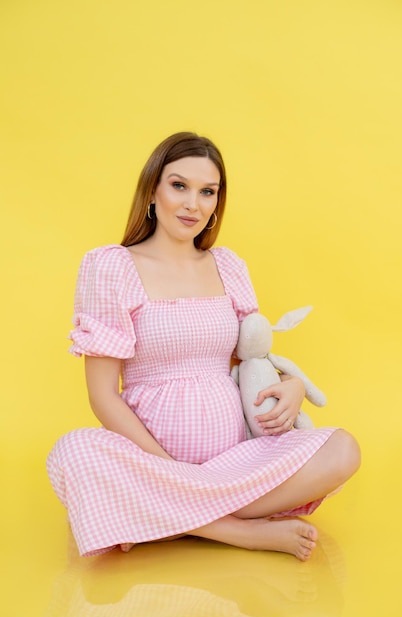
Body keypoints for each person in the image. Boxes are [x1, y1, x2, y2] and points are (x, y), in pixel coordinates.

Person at [47, 132, 360, 562]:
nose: (193, 204)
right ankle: (237, 531)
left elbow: (251, 360)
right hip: (151, 464)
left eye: (207, 192)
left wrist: (292, 386)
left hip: (233, 463)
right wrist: (168, 472)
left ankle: (163, 517)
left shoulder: (229, 266)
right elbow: (102, 396)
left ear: (217, 202)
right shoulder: (111, 266)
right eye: (179, 186)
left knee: (343, 449)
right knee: (74, 453)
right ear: (152, 191)